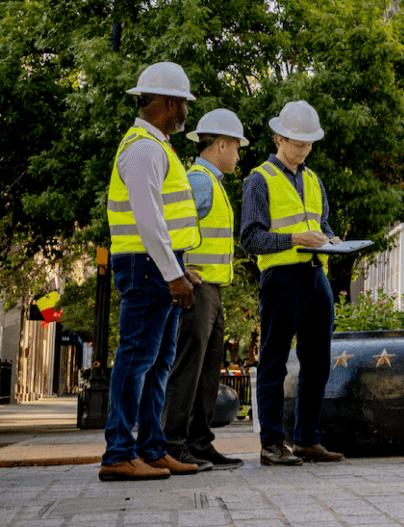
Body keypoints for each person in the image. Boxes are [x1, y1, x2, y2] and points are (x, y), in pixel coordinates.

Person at [99, 62, 204, 482]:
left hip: (157, 266)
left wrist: (179, 268)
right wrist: (171, 273)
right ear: (168, 102)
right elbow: (148, 221)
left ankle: (151, 449)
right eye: (182, 104)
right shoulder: (143, 148)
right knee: (136, 359)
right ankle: (118, 453)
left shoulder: (156, 145)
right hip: (146, 267)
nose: (184, 113)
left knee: (157, 362)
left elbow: (164, 220)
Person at [240, 100, 345, 466]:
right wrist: (295, 239)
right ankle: (271, 444)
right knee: (273, 361)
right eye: (298, 143)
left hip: (318, 277)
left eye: (309, 143)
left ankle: (307, 442)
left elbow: (324, 224)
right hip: (281, 277)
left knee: (317, 363)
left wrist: (332, 239)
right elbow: (251, 238)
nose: (304, 150)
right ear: (279, 137)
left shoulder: (314, 180)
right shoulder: (258, 180)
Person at [162, 109, 248, 471]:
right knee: (189, 367)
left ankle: (199, 443)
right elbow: (169, 228)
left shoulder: (210, 183)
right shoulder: (198, 181)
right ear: (223, 144)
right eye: (237, 148)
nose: (239, 155)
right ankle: (174, 443)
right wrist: (179, 270)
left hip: (211, 289)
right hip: (197, 291)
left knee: (208, 370)